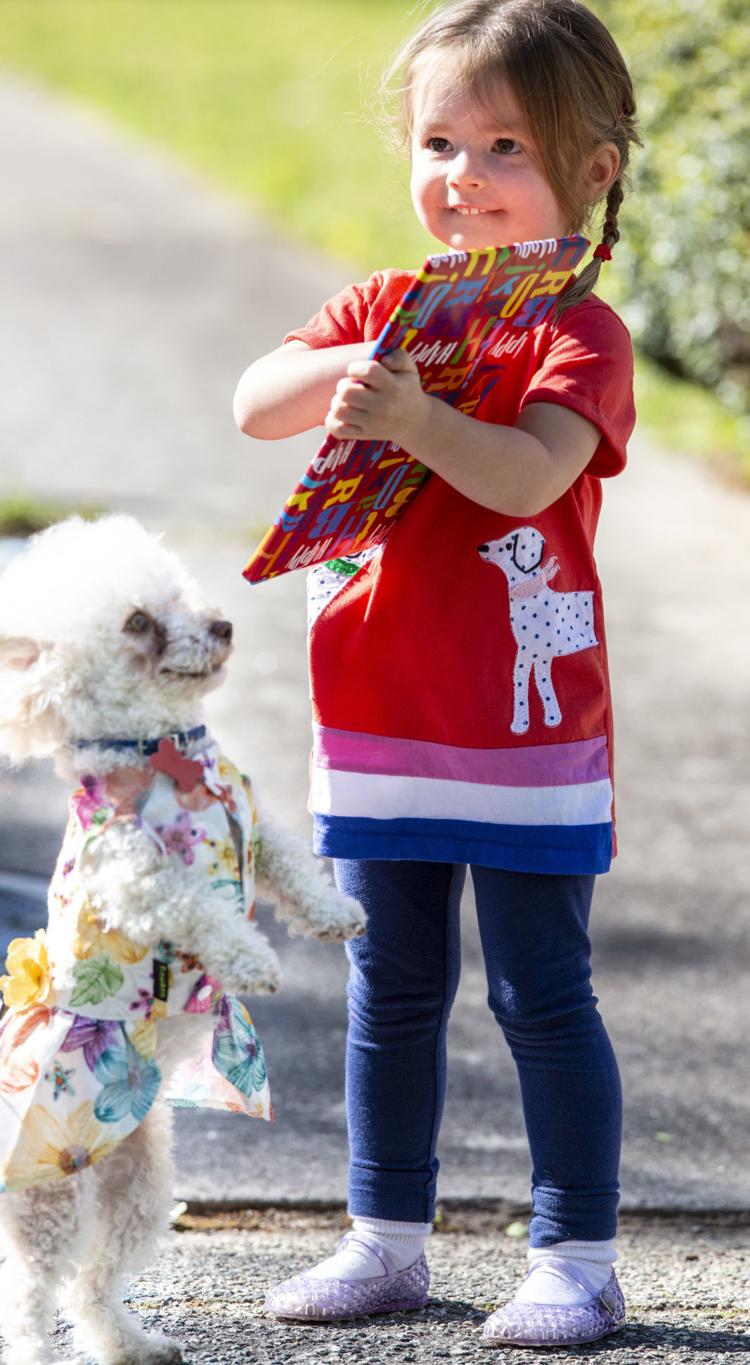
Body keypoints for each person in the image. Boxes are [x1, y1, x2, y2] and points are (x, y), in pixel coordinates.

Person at [233, 0, 641, 1347]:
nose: (459, 174)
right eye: (437, 140)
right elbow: (256, 398)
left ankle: (575, 1254)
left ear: (592, 168)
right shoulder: (385, 310)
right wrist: (360, 362)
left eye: (503, 143)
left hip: (521, 733)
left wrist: (415, 417)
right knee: (391, 989)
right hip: (379, 715)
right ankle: (383, 1239)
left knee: (539, 989)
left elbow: (526, 477)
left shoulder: (581, 338)